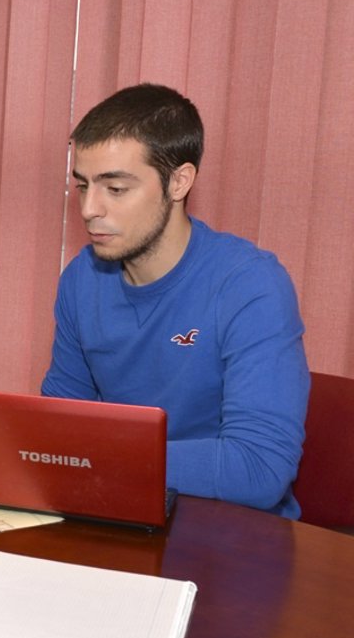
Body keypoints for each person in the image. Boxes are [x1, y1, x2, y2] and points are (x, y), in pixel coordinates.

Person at [41, 83, 309, 518]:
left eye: (116, 188)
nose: (89, 208)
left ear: (179, 182)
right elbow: (59, 425)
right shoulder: (81, 279)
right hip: (118, 510)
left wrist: (101, 455)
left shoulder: (251, 285)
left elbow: (260, 469)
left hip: (230, 530)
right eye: (83, 186)